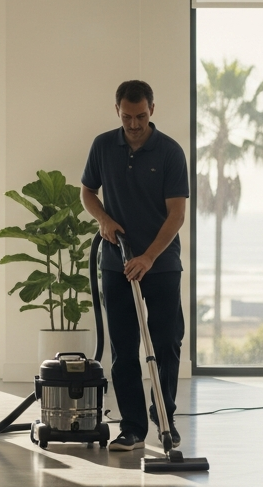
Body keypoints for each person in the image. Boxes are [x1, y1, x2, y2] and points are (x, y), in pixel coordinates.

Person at [80, 80, 189, 451]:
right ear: (118, 111)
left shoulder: (170, 152)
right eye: (127, 117)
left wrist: (149, 257)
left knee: (167, 344)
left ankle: (165, 416)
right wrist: (103, 220)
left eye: (141, 116)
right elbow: (87, 192)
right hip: (117, 265)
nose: (134, 124)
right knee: (124, 348)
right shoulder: (102, 146)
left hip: (160, 265)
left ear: (152, 110)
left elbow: (177, 214)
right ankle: (132, 428)